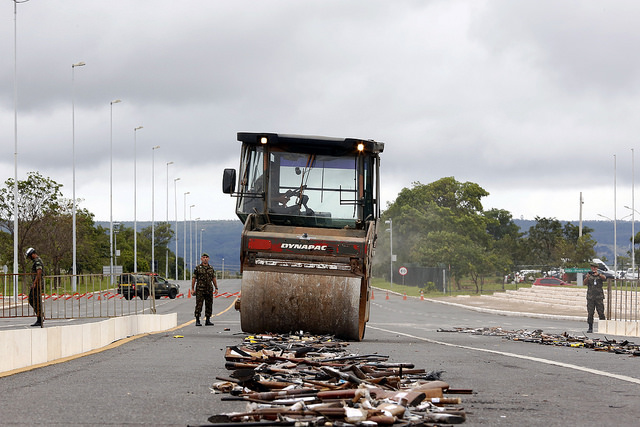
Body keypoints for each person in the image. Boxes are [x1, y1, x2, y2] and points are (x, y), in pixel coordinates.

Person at [191, 253, 218, 326]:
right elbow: (194, 278)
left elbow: (213, 278)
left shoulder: (211, 268)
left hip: (209, 289)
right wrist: (192, 289)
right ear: (201, 259)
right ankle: (197, 320)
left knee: (209, 304)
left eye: (206, 257)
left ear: (208, 259)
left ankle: (208, 319)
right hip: (200, 289)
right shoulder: (198, 268)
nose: (205, 259)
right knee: (199, 305)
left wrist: (216, 288)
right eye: (204, 257)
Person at [583, 261, 607, 333]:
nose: (593, 269)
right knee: (590, 312)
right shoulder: (589, 274)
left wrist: (598, 274)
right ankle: (590, 327)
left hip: (599, 297)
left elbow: (604, 278)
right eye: (592, 267)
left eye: (595, 267)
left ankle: (603, 327)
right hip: (590, 297)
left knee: (601, 312)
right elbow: (584, 283)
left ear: (597, 268)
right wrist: (587, 277)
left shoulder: (600, 274)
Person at [25, 247, 44, 327]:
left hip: (37, 284)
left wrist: (35, 283)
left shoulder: (37, 261)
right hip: (36, 284)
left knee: (35, 300)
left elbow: (39, 272)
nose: (29, 258)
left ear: (32, 254)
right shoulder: (36, 261)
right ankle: (39, 316)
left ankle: (40, 318)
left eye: (29, 256)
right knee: (33, 300)